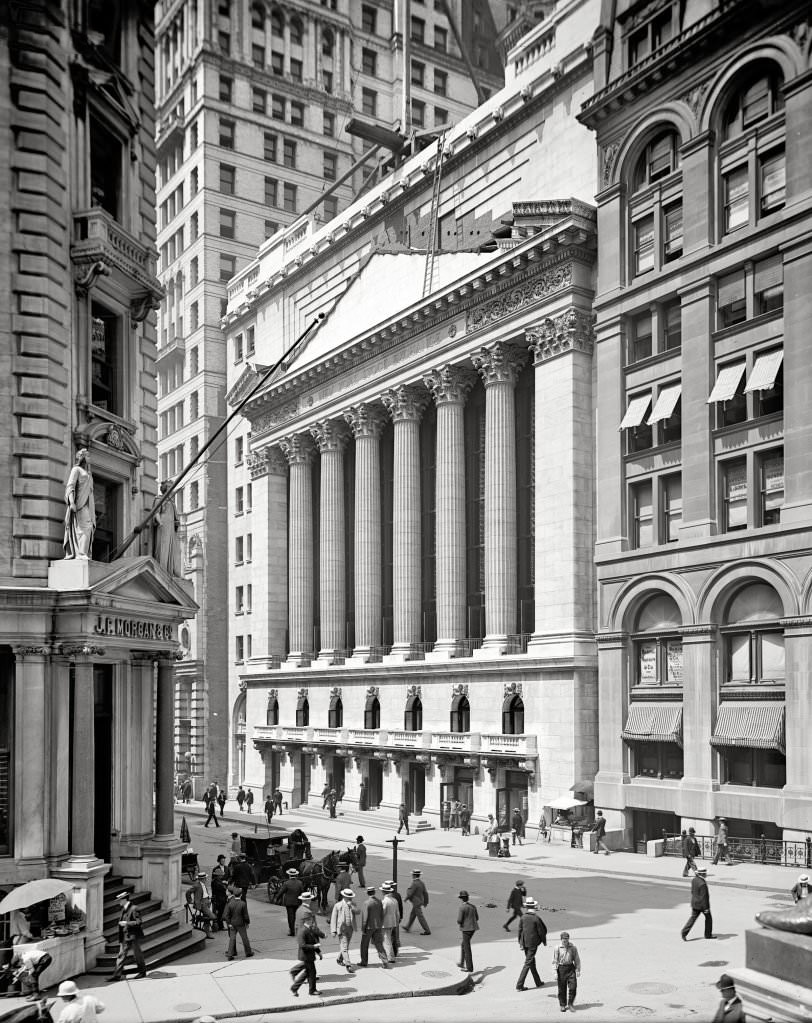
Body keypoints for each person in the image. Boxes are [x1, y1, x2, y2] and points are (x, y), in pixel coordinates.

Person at [63, 448, 95, 559]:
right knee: (85, 527)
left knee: (88, 527)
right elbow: (70, 486)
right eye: (88, 456)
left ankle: (83, 552)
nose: (90, 458)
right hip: (80, 504)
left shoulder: (88, 473)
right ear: (83, 457)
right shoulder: (76, 470)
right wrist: (71, 502)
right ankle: (81, 553)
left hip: (88, 505)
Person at [108, 891, 147, 982]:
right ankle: (117, 975)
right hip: (125, 936)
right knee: (121, 955)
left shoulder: (134, 908)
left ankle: (142, 972)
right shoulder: (124, 909)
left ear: (125, 899)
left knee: (138, 955)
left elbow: (139, 922)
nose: (119, 902)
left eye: (120, 900)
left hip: (133, 936)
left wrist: (126, 923)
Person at [149, 479, 180, 575]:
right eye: (169, 487)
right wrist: (160, 522)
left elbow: (175, 517)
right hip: (163, 524)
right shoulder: (159, 498)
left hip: (170, 526)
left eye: (172, 487)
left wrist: (176, 523)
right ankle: (161, 568)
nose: (171, 489)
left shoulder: (172, 502)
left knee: (170, 547)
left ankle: (169, 570)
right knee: (163, 546)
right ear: (165, 488)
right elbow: (156, 513)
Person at [290, 913, 325, 997]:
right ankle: (312, 990)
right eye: (310, 920)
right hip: (306, 956)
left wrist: (318, 952)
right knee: (312, 972)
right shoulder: (302, 931)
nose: (312, 921)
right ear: (306, 921)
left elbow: (313, 942)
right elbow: (303, 945)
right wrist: (314, 947)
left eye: (311, 919)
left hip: (309, 955)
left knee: (308, 973)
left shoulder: (309, 929)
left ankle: (295, 987)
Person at [516, 897, 547, 991]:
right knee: (528, 962)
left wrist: (520, 943)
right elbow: (542, 931)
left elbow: (520, 931)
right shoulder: (536, 918)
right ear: (534, 906)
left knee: (531, 962)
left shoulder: (523, 917)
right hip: (533, 944)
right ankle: (519, 985)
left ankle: (538, 982)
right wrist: (544, 941)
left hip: (525, 942)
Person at [681, 867, 715, 940]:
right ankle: (708, 934)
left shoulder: (694, 880)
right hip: (702, 905)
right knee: (709, 918)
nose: (706, 874)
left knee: (692, 918)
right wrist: (706, 908)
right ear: (702, 874)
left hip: (694, 903)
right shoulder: (702, 884)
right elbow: (704, 897)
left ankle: (684, 932)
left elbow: (693, 891)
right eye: (705, 873)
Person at [359, 886, 389, 968]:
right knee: (379, 944)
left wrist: (363, 928)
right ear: (374, 893)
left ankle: (364, 961)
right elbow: (382, 914)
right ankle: (385, 960)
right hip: (378, 926)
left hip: (369, 927)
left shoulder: (367, 903)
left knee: (364, 945)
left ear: (368, 893)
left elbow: (365, 918)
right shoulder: (379, 901)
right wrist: (380, 924)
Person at [330, 888, 358, 973]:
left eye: (350, 897)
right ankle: (348, 965)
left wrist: (352, 907)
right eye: (348, 897)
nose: (350, 898)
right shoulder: (338, 905)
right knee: (345, 947)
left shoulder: (353, 904)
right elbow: (333, 918)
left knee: (345, 946)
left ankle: (339, 958)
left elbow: (358, 912)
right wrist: (333, 930)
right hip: (342, 929)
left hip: (350, 928)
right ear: (344, 896)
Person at [552, 931, 581, 1012]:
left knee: (573, 987)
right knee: (562, 989)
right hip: (561, 969)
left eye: (567, 939)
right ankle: (562, 1005)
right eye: (564, 939)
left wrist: (578, 970)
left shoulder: (573, 948)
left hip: (570, 968)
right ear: (561, 939)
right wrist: (555, 972)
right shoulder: (557, 948)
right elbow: (554, 961)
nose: (565, 941)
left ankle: (571, 1004)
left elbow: (577, 959)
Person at [223, 890, 253, 960]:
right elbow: (245, 915)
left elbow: (226, 915)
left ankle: (230, 954)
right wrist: (247, 922)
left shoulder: (230, 903)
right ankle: (248, 952)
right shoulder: (243, 903)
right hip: (241, 923)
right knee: (244, 938)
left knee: (232, 939)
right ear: (241, 895)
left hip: (232, 924)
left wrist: (229, 923)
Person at [187, 873, 216, 938]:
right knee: (212, 917)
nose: (206, 879)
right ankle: (198, 918)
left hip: (207, 902)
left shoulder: (203, 884)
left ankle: (207, 933)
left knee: (207, 917)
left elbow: (204, 893)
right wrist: (190, 901)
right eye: (205, 878)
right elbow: (188, 892)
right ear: (202, 879)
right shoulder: (196, 885)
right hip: (202, 904)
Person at [456, 890, 478, 973]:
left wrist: (460, 923)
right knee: (463, 945)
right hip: (473, 928)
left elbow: (459, 920)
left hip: (466, 929)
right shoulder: (473, 906)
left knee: (466, 947)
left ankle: (469, 967)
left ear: (461, 899)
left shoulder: (462, 907)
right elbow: (477, 918)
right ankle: (462, 963)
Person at [279, 868, 305, 937]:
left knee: (290, 917)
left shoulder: (286, 883)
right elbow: (302, 892)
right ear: (296, 875)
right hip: (297, 902)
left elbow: (281, 892)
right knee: (296, 916)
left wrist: (277, 898)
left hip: (289, 903)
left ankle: (292, 931)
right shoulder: (300, 883)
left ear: (289, 875)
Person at [404, 869, 431, 934]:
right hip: (420, 901)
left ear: (414, 875)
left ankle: (427, 930)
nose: (412, 876)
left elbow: (410, 893)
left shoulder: (414, 883)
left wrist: (406, 898)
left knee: (420, 917)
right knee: (413, 914)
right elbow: (425, 893)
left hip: (416, 903)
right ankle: (408, 927)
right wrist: (426, 902)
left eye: (412, 875)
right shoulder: (421, 883)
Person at [380, 882, 399, 963]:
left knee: (386, 940)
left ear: (383, 891)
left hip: (385, 923)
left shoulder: (385, 901)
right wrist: (396, 921)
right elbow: (397, 913)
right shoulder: (394, 900)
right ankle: (390, 955)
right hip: (393, 922)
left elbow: (382, 913)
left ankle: (390, 957)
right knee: (389, 939)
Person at [211, 855, 228, 930]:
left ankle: (219, 925)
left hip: (219, 898)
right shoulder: (217, 881)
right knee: (219, 912)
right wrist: (224, 884)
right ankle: (219, 926)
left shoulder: (216, 881)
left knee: (219, 912)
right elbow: (222, 888)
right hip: (219, 898)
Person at [388, 881, 404, 956]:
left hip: (389, 919)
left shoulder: (388, 897)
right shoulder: (397, 895)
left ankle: (391, 952)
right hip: (396, 917)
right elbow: (400, 907)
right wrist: (401, 916)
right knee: (396, 935)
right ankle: (396, 950)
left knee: (390, 936)